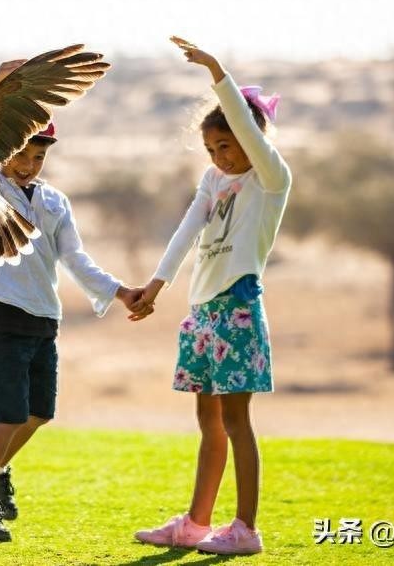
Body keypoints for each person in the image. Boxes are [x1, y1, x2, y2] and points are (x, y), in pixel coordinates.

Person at [0, 76, 145, 542]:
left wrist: (120, 292)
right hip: (2, 313)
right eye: (22, 153)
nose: (29, 164)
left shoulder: (55, 202)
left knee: (39, 413)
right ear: (3, 147)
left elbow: (76, 260)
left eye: (39, 156)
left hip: (44, 319)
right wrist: (5, 79)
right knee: (9, 415)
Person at [129, 37, 291, 556]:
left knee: (237, 418)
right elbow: (186, 231)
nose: (220, 156)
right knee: (208, 421)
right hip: (202, 310)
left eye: (227, 146)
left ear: (254, 139)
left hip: (239, 306)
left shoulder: (271, 178)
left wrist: (217, 72)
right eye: (212, 149)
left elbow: (246, 129)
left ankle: (245, 528)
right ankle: (197, 524)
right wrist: (156, 286)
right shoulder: (212, 180)